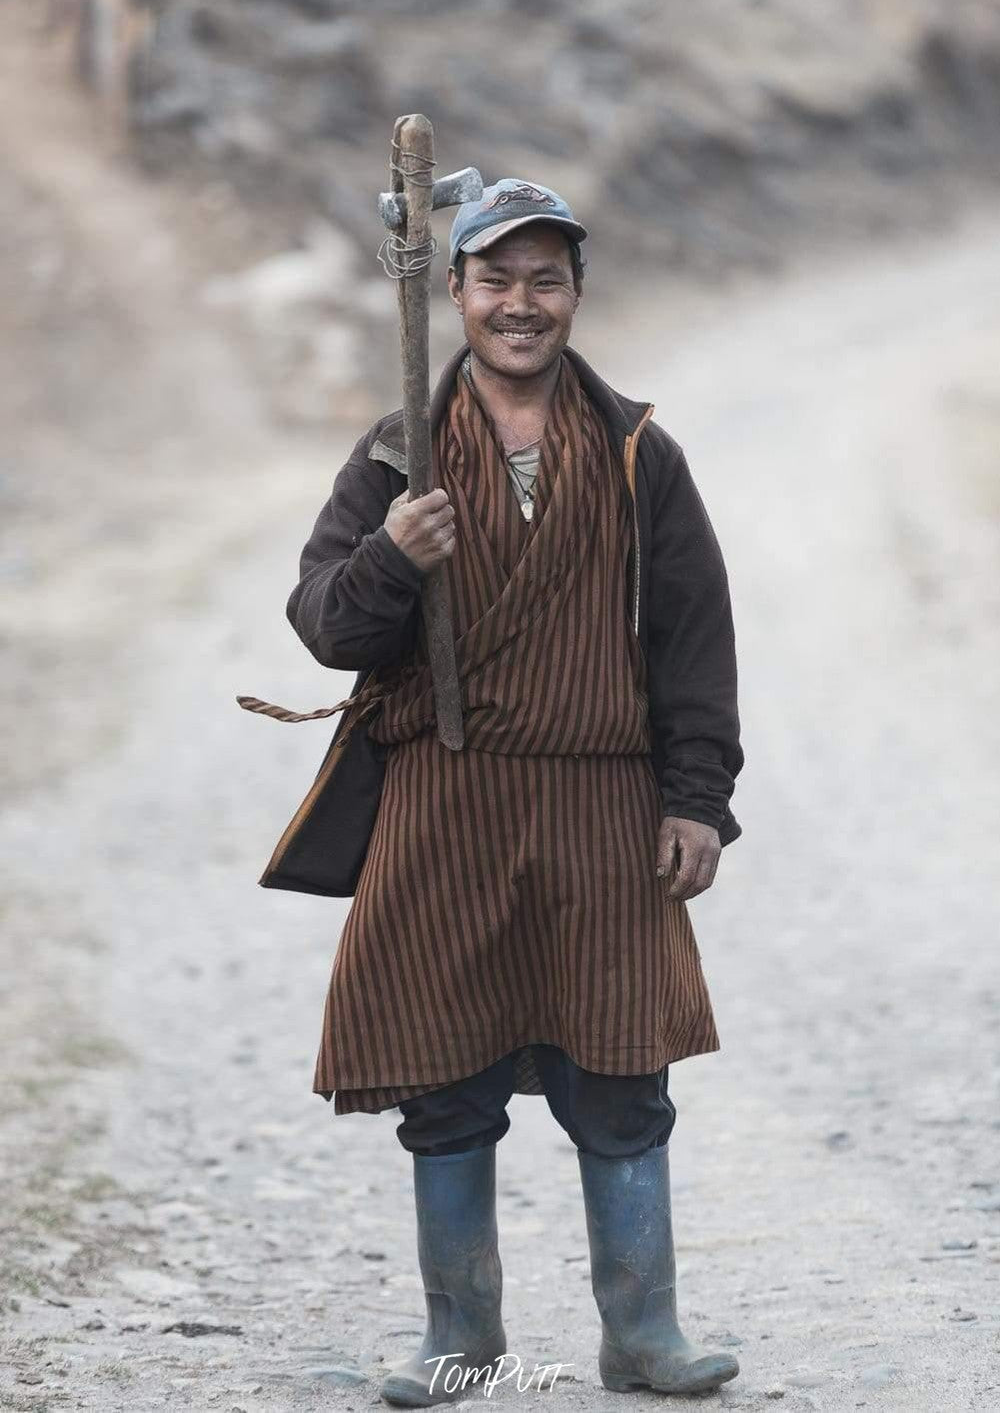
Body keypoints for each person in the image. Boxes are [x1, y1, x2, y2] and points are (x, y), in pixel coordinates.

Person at [276, 179, 744, 1404]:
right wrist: (393, 556)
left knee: (623, 1076)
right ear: (455, 292)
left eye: (546, 279)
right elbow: (325, 627)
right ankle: (460, 1334)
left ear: (576, 294)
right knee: (442, 1078)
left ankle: (643, 1332)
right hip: (446, 800)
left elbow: (694, 642)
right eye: (496, 279)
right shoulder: (399, 453)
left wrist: (696, 798)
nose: (520, 303)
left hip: (601, 802)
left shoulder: (638, 453)